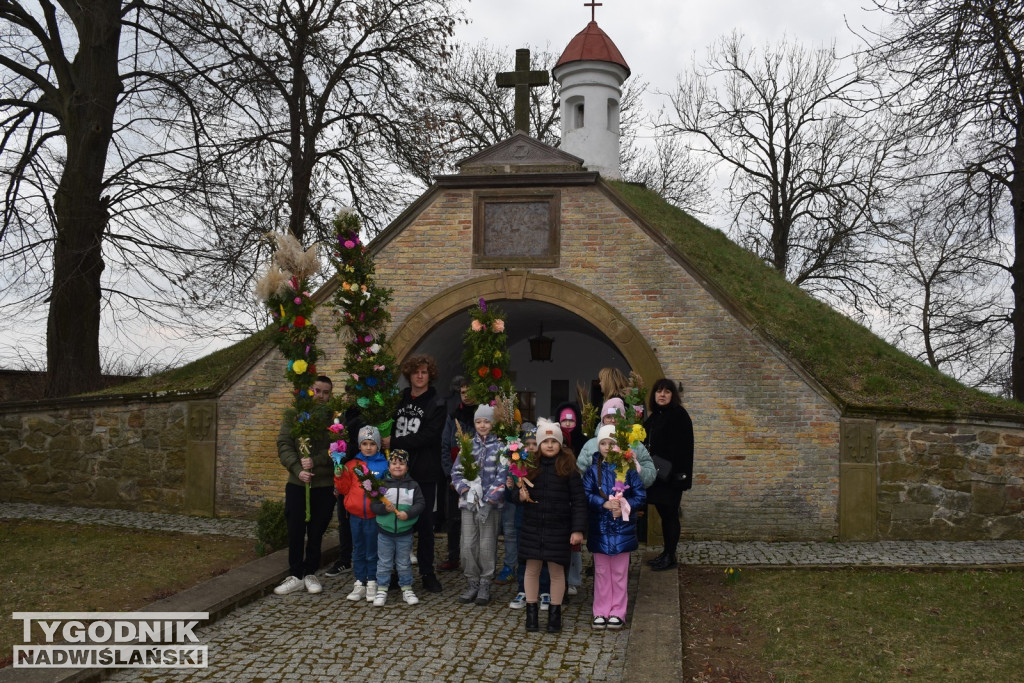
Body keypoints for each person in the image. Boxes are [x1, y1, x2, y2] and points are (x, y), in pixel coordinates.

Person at [508, 418, 586, 633]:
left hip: (558, 528)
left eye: (554, 441)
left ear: (560, 443)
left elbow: (579, 501)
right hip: (533, 527)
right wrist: (520, 496)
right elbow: (515, 495)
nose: (550, 445)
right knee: (531, 570)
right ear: (539, 444)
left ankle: (555, 615)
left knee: (556, 572)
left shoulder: (569, 469)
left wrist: (577, 529)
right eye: (545, 441)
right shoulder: (529, 467)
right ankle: (531, 615)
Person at [385, 354, 446, 593]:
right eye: (415, 372)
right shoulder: (399, 399)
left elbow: (429, 435)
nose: (420, 376)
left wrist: (396, 440)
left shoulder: (437, 402)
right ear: (409, 374)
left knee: (425, 524)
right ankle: (395, 572)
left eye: (424, 372)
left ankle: (427, 573)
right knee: (396, 523)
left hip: (425, 473)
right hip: (398, 472)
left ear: (430, 375)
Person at [273, 375, 337, 596]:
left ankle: (311, 571)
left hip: (324, 484)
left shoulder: (334, 419)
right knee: (295, 529)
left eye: (325, 392)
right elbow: (284, 443)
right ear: (310, 391)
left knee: (317, 530)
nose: (320, 396)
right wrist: (297, 468)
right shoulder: (295, 414)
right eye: (317, 391)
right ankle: (295, 574)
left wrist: (316, 461)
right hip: (297, 483)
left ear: (330, 395)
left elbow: (337, 448)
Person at [583, 424, 646, 630]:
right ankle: (600, 610)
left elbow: (640, 495)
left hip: (622, 531)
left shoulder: (628, 469)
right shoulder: (592, 471)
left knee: (619, 573)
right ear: (598, 445)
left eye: (611, 443)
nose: (607, 447)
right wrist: (603, 503)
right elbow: (585, 494)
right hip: (600, 528)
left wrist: (625, 506)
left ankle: (618, 611)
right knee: (601, 572)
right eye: (603, 443)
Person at [450, 404, 508, 605]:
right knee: (467, 544)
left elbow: (503, 476)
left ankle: (485, 582)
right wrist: (465, 490)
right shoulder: (467, 445)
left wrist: (490, 498)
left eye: (486, 421)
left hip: (489, 506)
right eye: (478, 422)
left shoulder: (500, 447)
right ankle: (472, 581)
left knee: (486, 545)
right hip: (468, 504)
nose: (482, 425)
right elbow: (455, 473)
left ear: (493, 424)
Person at [643, 379, 694, 572]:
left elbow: (683, 449)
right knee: (665, 515)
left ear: (673, 395)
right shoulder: (656, 416)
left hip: (671, 477)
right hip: (658, 475)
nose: (662, 395)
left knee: (670, 515)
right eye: (658, 391)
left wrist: (675, 475)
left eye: (666, 392)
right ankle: (666, 553)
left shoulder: (678, 415)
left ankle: (670, 555)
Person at [335, 425, 389, 602]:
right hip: (356, 516)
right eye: (364, 443)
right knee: (358, 549)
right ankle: (359, 582)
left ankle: (372, 581)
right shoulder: (351, 465)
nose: (368, 447)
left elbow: (388, 489)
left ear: (378, 445)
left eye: (372, 443)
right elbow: (343, 489)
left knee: (373, 550)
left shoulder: (384, 465)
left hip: (375, 516)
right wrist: (339, 476)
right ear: (359, 445)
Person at [370, 450, 426, 606]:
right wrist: (384, 509)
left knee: (403, 562)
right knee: (384, 562)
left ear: (407, 467)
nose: (398, 466)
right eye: (394, 463)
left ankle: (407, 588)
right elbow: (373, 505)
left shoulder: (413, 485)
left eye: (402, 464)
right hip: (384, 532)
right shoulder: (381, 486)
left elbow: (420, 504)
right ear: (388, 466)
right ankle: (382, 589)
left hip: (404, 532)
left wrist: (408, 515)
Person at [507, 423, 552, 610]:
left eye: (535, 443)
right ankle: (523, 589)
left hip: (543, 518)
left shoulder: (546, 465)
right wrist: (514, 492)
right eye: (528, 444)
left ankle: (544, 590)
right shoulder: (516, 466)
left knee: (544, 556)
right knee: (524, 555)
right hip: (523, 519)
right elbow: (509, 497)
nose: (532, 447)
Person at [439, 376, 476, 572]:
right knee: (453, 519)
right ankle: (453, 556)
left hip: (477, 478)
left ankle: (473, 558)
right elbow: (445, 445)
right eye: (463, 392)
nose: (467, 396)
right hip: (454, 477)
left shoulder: (482, 415)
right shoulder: (453, 415)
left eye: (470, 391)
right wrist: (451, 475)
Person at [325, 402, 363, 578]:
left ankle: (366, 560)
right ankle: (345, 558)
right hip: (344, 474)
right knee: (344, 518)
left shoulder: (366, 416)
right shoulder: (342, 417)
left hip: (361, 472)